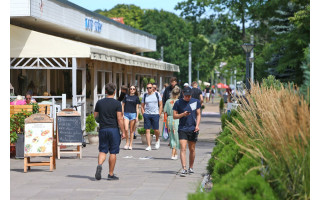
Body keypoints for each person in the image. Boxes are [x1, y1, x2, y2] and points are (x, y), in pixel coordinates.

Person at [94, 83, 125, 181]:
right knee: (113, 152)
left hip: (103, 129)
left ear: (106, 91)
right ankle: (110, 174)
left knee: (102, 150)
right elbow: (119, 119)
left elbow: (95, 116)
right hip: (113, 129)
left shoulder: (99, 102)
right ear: (115, 92)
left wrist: (101, 119)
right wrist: (123, 131)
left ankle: (99, 165)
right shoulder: (117, 103)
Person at [173, 87, 201, 177]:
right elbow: (174, 116)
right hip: (182, 128)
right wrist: (183, 114)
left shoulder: (196, 102)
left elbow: (198, 114)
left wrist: (197, 125)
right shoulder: (178, 103)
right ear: (183, 94)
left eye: (189, 96)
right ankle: (184, 168)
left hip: (193, 128)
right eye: (186, 96)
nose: (188, 97)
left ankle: (191, 167)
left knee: (192, 149)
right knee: (183, 148)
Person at [141, 83, 163, 151]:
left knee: (156, 130)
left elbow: (161, 104)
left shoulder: (157, 94)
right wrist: (143, 113)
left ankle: (157, 140)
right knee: (147, 130)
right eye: (147, 88)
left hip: (155, 114)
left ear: (153, 88)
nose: (148, 89)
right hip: (147, 114)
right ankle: (149, 145)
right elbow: (142, 105)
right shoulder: (145, 95)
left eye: (150, 88)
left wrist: (159, 113)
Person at [163, 87, 181, 160]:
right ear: (179, 94)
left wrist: (165, 122)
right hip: (177, 119)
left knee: (172, 136)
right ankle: (173, 152)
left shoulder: (168, 101)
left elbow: (165, 112)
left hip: (169, 119)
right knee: (176, 136)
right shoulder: (180, 102)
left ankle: (175, 152)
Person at [122, 85, 140, 150]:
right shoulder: (126, 96)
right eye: (131, 89)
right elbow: (123, 105)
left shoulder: (136, 98)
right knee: (126, 129)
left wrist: (137, 116)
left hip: (133, 114)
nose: (132, 90)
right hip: (126, 114)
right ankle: (127, 142)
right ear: (129, 90)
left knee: (132, 130)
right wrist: (122, 114)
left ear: (135, 90)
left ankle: (130, 144)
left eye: (133, 89)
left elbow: (137, 108)